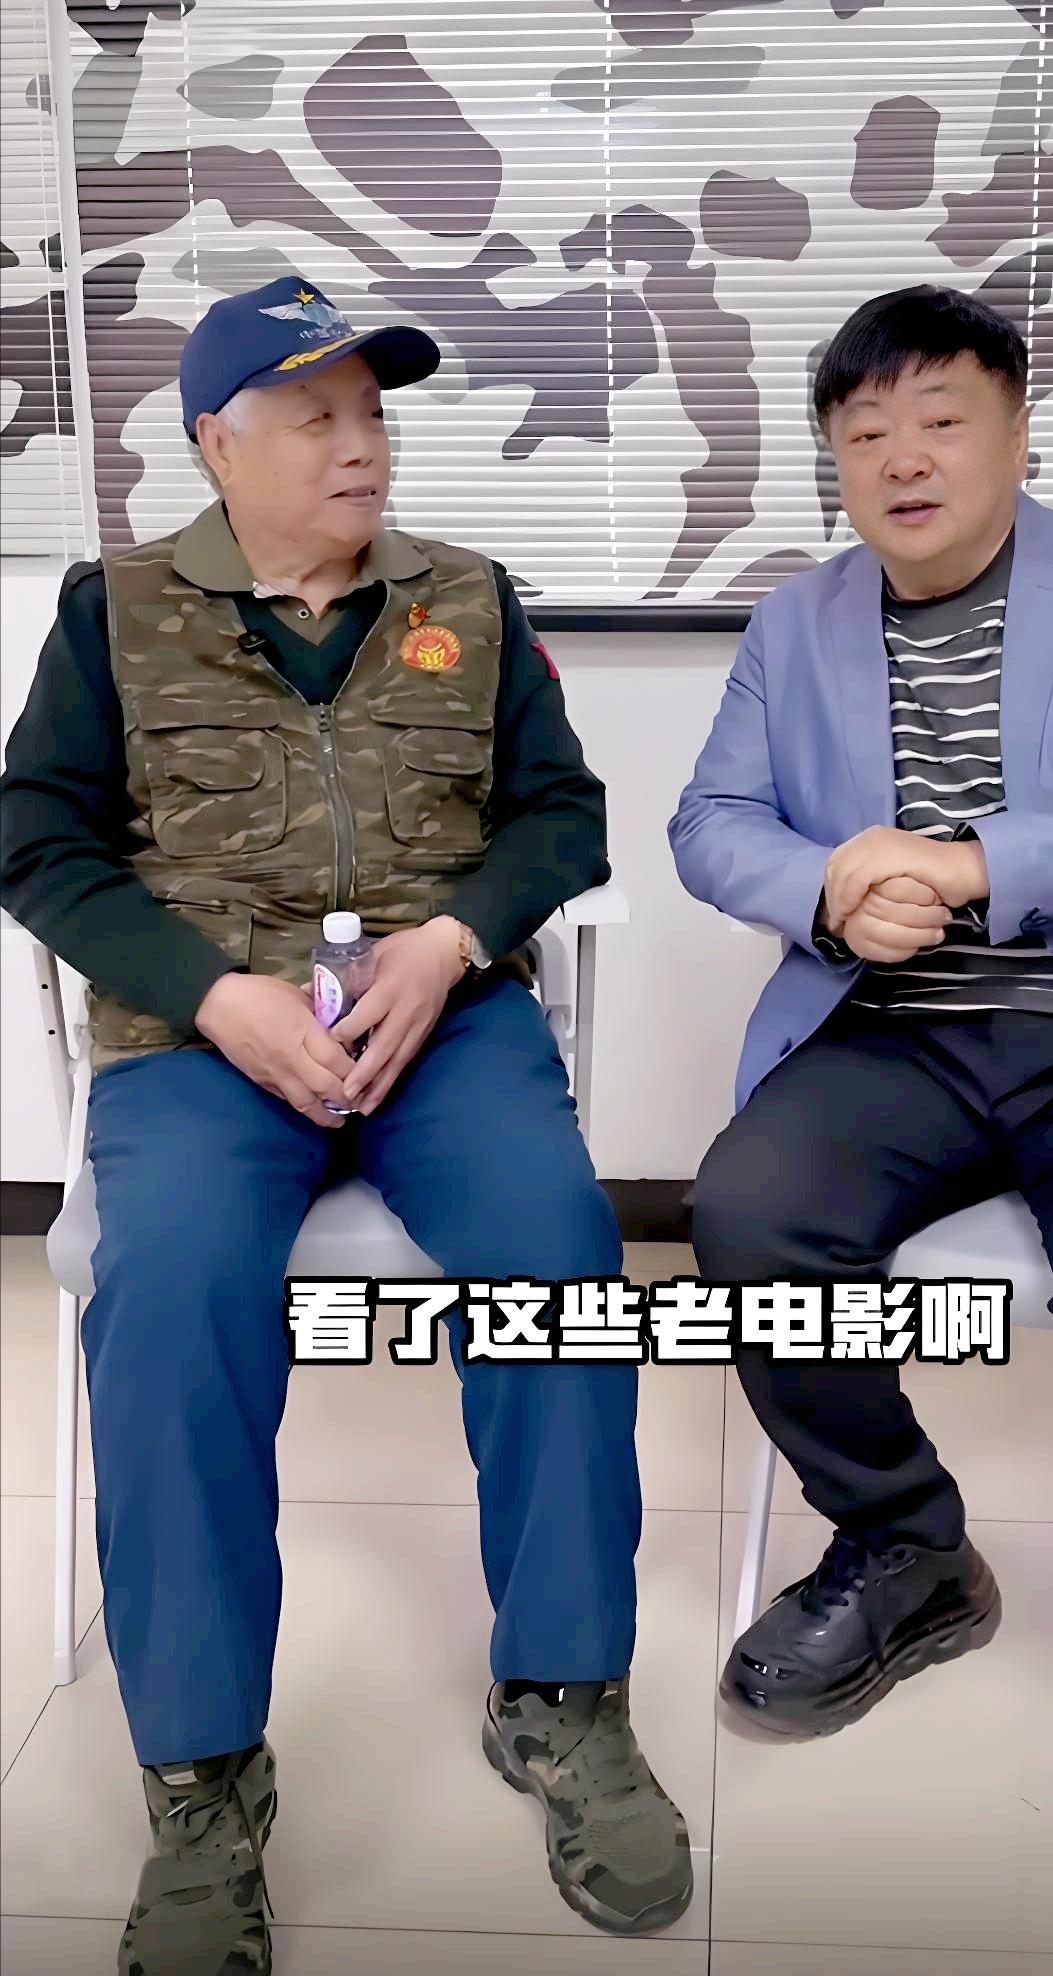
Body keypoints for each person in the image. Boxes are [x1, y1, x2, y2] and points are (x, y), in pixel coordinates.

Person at [0, 275, 692, 1972]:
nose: (360, 445)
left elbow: (563, 817)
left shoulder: (467, 597)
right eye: (314, 415)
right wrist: (211, 992)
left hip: (438, 1023)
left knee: (559, 1263)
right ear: (215, 444)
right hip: (205, 1039)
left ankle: (563, 1695)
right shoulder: (116, 610)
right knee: (170, 1297)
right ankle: (202, 1778)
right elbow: (37, 841)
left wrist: (451, 942)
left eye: (372, 413)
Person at [671, 284, 1053, 1881]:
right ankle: (905, 1547)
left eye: (942, 420)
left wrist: (972, 862)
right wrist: (824, 886)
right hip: (896, 1036)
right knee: (748, 1215)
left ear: (1018, 435)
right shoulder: (795, 623)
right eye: (865, 433)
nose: (903, 458)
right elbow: (711, 825)